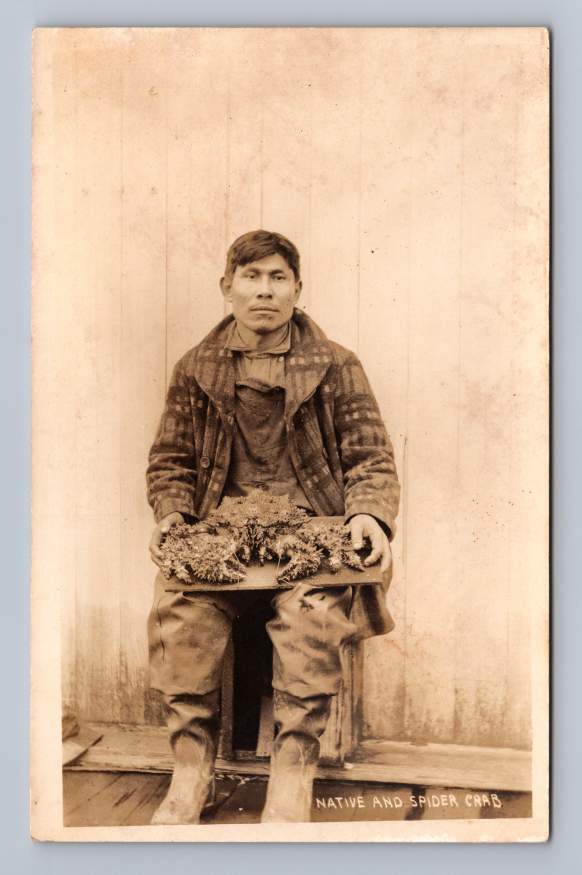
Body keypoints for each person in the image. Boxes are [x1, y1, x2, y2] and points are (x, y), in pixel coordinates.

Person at [146, 229, 400, 824]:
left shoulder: (336, 365)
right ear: (227, 287)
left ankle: (293, 771)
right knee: (182, 610)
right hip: (223, 536)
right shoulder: (196, 368)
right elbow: (170, 460)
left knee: (311, 616)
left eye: (277, 277)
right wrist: (173, 514)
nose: (264, 290)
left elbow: (371, 455)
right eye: (252, 276)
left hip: (311, 532)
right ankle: (191, 771)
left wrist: (368, 513)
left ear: (297, 289)